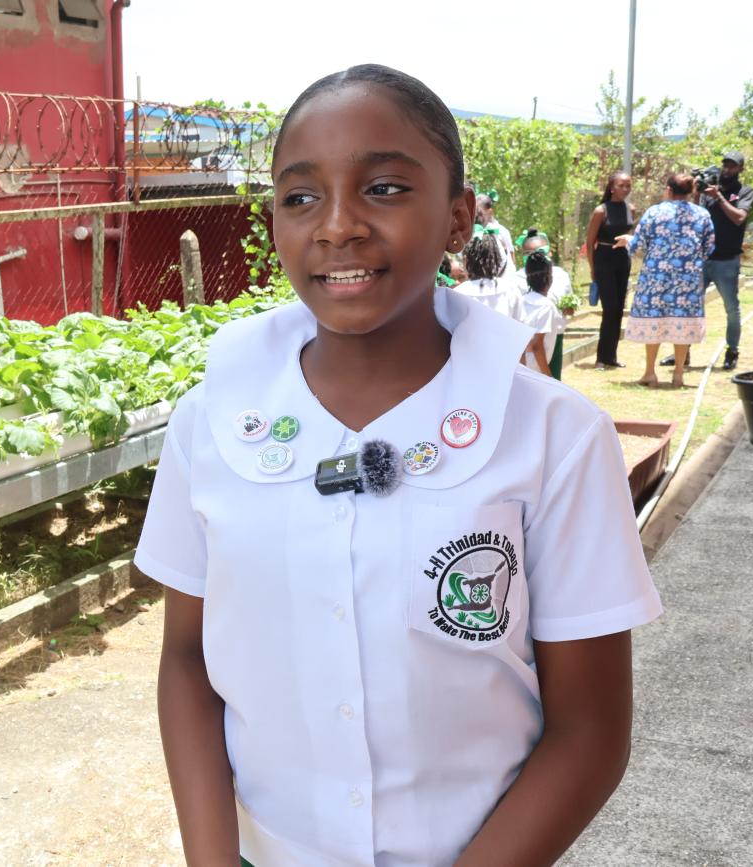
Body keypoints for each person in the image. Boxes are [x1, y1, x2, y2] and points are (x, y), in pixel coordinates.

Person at [139, 63, 662, 867]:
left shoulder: (555, 435)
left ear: (458, 219)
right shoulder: (210, 425)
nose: (338, 225)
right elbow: (185, 659)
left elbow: (590, 730)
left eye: (383, 188)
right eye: (301, 196)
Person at [616, 173, 716, 389]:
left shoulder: (655, 212)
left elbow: (639, 243)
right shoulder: (702, 215)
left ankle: (650, 372)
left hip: (656, 278)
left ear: (669, 190)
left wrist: (628, 241)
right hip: (688, 278)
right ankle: (678, 374)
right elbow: (709, 248)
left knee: (655, 321)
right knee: (683, 322)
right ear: (690, 192)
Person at [698, 151, 753, 371]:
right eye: (725, 165)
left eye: (732, 166)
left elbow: (739, 218)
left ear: (740, 169)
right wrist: (697, 192)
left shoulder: (745, 192)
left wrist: (719, 197)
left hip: (727, 261)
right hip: (703, 259)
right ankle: (683, 351)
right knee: (692, 306)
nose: (727, 169)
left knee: (731, 308)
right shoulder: (708, 190)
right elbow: (696, 215)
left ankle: (732, 351)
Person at [585, 171, 635, 369]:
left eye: (628, 185)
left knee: (619, 309)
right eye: (621, 185)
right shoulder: (601, 211)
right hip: (604, 260)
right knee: (609, 308)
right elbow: (590, 243)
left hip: (623, 259)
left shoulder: (630, 208)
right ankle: (600, 357)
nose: (625, 189)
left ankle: (611, 356)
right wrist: (592, 268)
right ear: (612, 187)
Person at [515, 228, 575, 379]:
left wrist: (568, 308)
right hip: (535, 345)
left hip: (555, 335)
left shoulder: (560, 274)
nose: (535, 256)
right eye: (529, 253)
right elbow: (536, 345)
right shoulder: (516, 279)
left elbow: (568, 299)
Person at [452, 230, 524, 319]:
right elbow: (520, 324)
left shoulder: (457, 293)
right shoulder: (511, 290)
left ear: (466, 260)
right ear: (496, 258)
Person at [520, 249, 561, 378]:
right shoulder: (546, 306)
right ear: (549, 278)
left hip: (522, 369)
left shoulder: (521, 301)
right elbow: (537, 346)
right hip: (536, 372)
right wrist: (548, 377)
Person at [475, 191, 516, 276]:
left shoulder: (502, 232)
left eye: (479, 213)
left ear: (490, 212)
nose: (476, 216)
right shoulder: (474, 231)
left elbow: (511, 256)